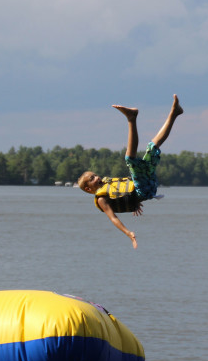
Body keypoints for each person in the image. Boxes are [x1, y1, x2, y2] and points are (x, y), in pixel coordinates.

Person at [78, 94, 183, 248]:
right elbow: (113, 218)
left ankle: (174, 114)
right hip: (143, 189)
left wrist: (135, 203)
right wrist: (128, 233)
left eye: (95, 175)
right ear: (88, 188)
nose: (97, 177)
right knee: (130, 159)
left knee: (152, 147)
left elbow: (125, 196)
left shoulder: (107, 185)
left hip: (148, 186)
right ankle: (131, 118)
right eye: (92, 179)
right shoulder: (101, 199)